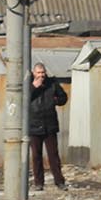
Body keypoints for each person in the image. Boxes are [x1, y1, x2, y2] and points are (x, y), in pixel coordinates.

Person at [27, 63, 69, 191]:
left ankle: (59, 182)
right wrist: (34, 87)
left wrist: (55, 101)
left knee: (53, 155)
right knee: (36, 156)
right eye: (39, 73)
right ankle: (39, 183)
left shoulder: (52, 83)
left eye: (43, 72)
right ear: (34, 73)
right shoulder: (28, 85)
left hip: (49, 124)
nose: (41, 75)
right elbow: (22, 99)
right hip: (34, 125)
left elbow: (63, 98)